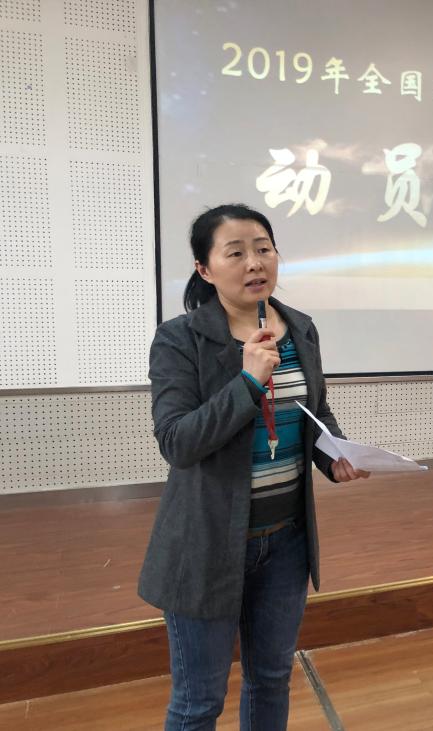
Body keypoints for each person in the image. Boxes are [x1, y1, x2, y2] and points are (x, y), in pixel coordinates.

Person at [138, 203, 370, 730]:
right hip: (207, 542)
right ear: (204, 269)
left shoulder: (300, 328)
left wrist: (334, 454)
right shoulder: (180, 339)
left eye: (263, 249)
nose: (254, 263)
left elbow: (314, 409)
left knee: (270, 679)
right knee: (199, 701)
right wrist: (246, 383)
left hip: (285, 541)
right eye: (236, 252)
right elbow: (177, 443)